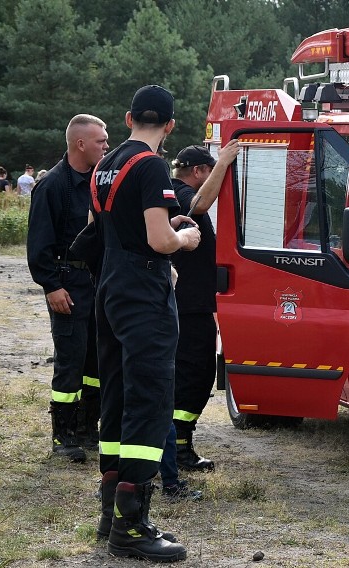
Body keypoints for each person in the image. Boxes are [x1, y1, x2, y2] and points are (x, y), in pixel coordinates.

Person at [92, 84, 200, 562]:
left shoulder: (105, 163)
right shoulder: (152, 164)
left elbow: (114, 232)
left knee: (115, 393)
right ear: (171, 126)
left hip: (110, 287)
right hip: (143, 296)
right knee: (151, 398)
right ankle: (131, 525)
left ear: (128, 116)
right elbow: (159, 238)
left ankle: (109, 509)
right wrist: (187, 240)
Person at [27, 115, 109, 463]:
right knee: (71, 362)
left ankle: (89, 430)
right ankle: (63, 437)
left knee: (96, 362)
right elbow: (39, 244)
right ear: (80, 144)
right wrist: (51, 286)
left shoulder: (98, 182)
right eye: (100, 141)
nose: (106, 147)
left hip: (96, 283)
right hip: (67, 284)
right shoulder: (53, 186)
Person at [167, 141, 239, 476]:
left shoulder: (175, 189)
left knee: (193, 374)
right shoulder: (180, 191)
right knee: (193, 374)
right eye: (211, 171)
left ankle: (179, 445)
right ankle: (179, 448)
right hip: (187, 306)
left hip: (192, 303)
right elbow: (199, 203)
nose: (216, 177)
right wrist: (224, 161)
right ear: (198, 171)